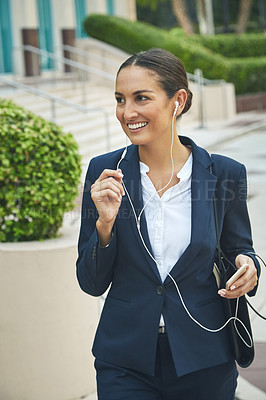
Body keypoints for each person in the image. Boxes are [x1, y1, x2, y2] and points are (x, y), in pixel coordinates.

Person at [76, 48, 260, 400]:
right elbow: (91, 282)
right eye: (120, 99)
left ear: (178, 100)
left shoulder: (223, 174)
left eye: (141, 98)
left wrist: (249, 268)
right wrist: (104, 225)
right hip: (125, 361)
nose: (127, 113)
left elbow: (241, 249)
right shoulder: (104, 173)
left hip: (204, 357)